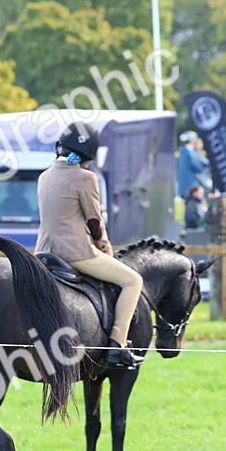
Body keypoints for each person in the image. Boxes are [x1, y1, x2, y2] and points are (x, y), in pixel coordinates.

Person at [37, 122, 142, 368]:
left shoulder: (44, 176)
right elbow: (95, 221)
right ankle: (117, 344)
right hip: (76, 253)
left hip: (43, 252)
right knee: (133, 281)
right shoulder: (86, 178)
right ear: (88, 154)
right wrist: (106, 250)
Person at [176, 131, 213, 200]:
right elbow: (199, 168)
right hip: (192, 187)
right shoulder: (191, 153)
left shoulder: (182, 153)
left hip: (184, 187)